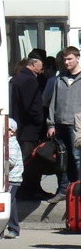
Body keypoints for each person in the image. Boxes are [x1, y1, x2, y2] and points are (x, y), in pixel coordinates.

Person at [46, 46, 81, 204]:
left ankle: (78, 190)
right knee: (62, 158)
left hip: (77, 126)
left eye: (70, 59)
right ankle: (63, 189)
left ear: (77, 58)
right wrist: (51, 124)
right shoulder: (60, 79)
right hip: (60, 124)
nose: (66, 62)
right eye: (65, 60)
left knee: (77, 158)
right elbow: (53, 102)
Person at [9, 54, 45, 199]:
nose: (42, 69)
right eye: (41, 64)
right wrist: (39, 120)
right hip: (29, 129)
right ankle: (28, 191)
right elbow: (32, 106)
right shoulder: (29, 80)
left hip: (20, 126)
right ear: (34, 63)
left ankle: (23, 191)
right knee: (29, 161)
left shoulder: (17, 78)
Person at [5, 118, 22, 238]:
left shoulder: (11, 144)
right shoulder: (7, 143)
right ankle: (14, 228)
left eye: (8, 130)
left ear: (13, 132)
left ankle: (9, 229)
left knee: (7, 203)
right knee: (11, 203)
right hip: (11, 178)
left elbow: (11, 161)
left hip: (13, 178)